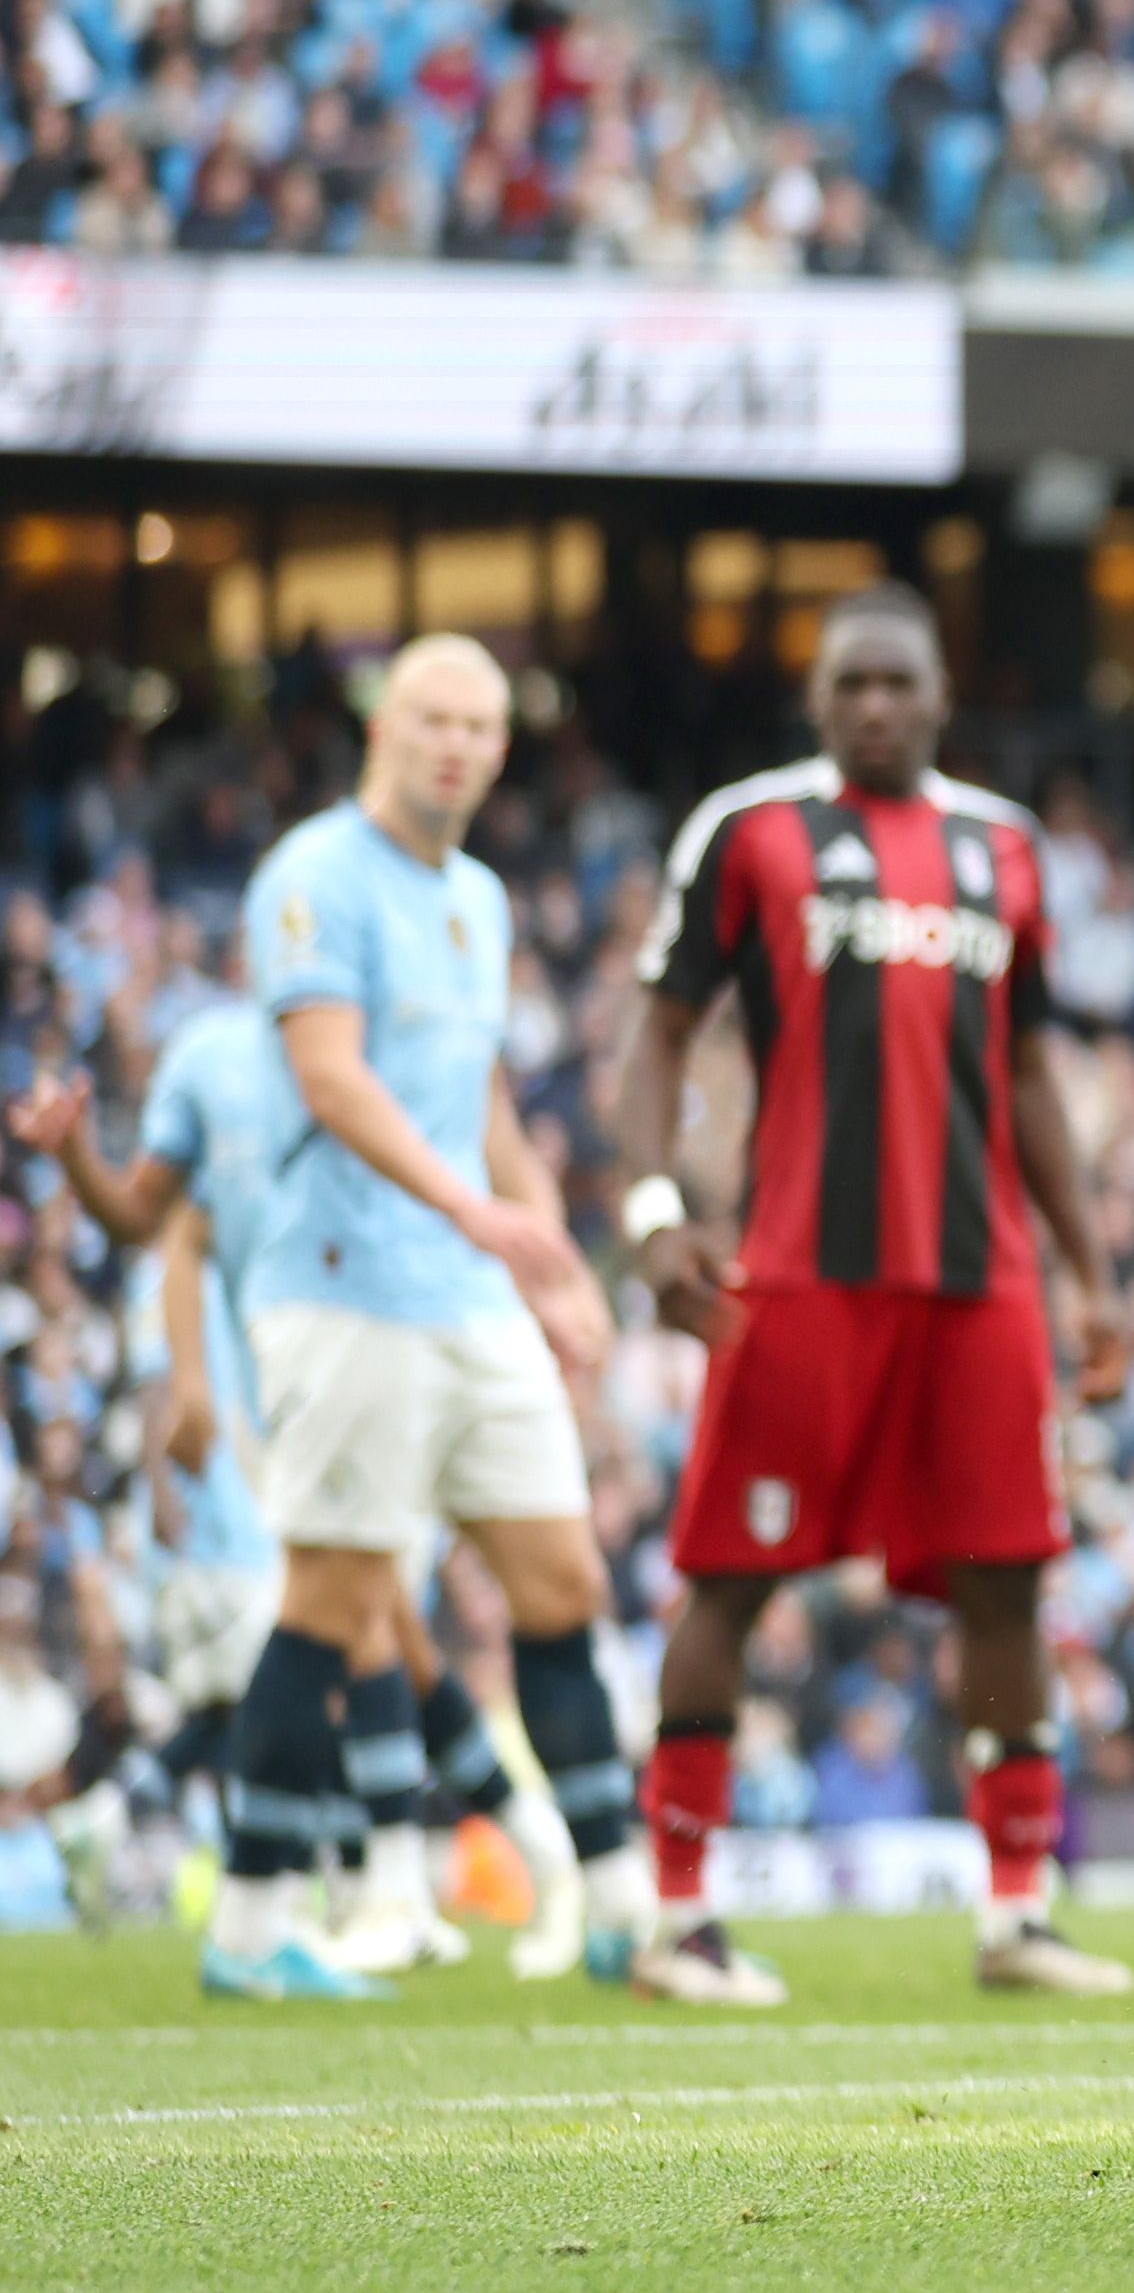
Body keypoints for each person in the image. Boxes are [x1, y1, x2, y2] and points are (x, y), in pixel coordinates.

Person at [611, 584, 1134, 2001]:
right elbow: (654, 1036)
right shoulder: (751, 830)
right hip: (797, 1277)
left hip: (981, 1286)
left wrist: (1092, 1276)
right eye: (850, 685)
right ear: (818, 697)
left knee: (1008, 1584)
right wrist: (654, 1214)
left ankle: (1017, 1914)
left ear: (941, 691)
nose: (875, 707)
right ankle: (677, 1918)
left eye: (898, 682)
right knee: (728, 1578)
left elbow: (1026, 1071)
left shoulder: (1004, 848)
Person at [221, 638, 646, 1989]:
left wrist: (554, 1263)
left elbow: (480, 1108)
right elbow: (331, 1078)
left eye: (480, 724)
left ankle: (625, 1906)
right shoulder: (315, 875)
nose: (457, 744)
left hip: (464, 1294)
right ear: (381, 727)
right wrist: (478, 1215)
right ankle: (251, 1930)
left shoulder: (476, 896)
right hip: (344, 1284)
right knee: (337, 1598)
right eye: (433, 719)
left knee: (562, 1578)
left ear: (502, 745)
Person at [15, 996, 559, 1986]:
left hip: (373, 1383)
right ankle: (351, 1892)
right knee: (341, 1633)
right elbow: (172, 1236)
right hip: (288, 1420)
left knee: (356, 1640)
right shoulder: (231, 1078)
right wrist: (183, 1389)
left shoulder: (379, 1080)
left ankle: (383, 1882)